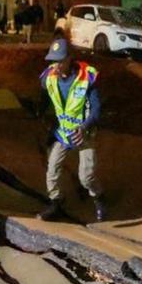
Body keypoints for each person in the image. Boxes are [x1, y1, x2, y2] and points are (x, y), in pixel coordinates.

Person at [37, 38, 104, 222]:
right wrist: (40, 114)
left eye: (59, 60)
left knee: (87, 176)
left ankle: (98, 198)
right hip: (63, 132)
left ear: (69, 59)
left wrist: (84, 127)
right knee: (52, 169)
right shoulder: (48, 77)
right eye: (53, 60)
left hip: (84, 133)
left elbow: (97, 108)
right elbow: (44, 97)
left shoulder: (85, 78)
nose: (56, 65)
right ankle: (56, 202)